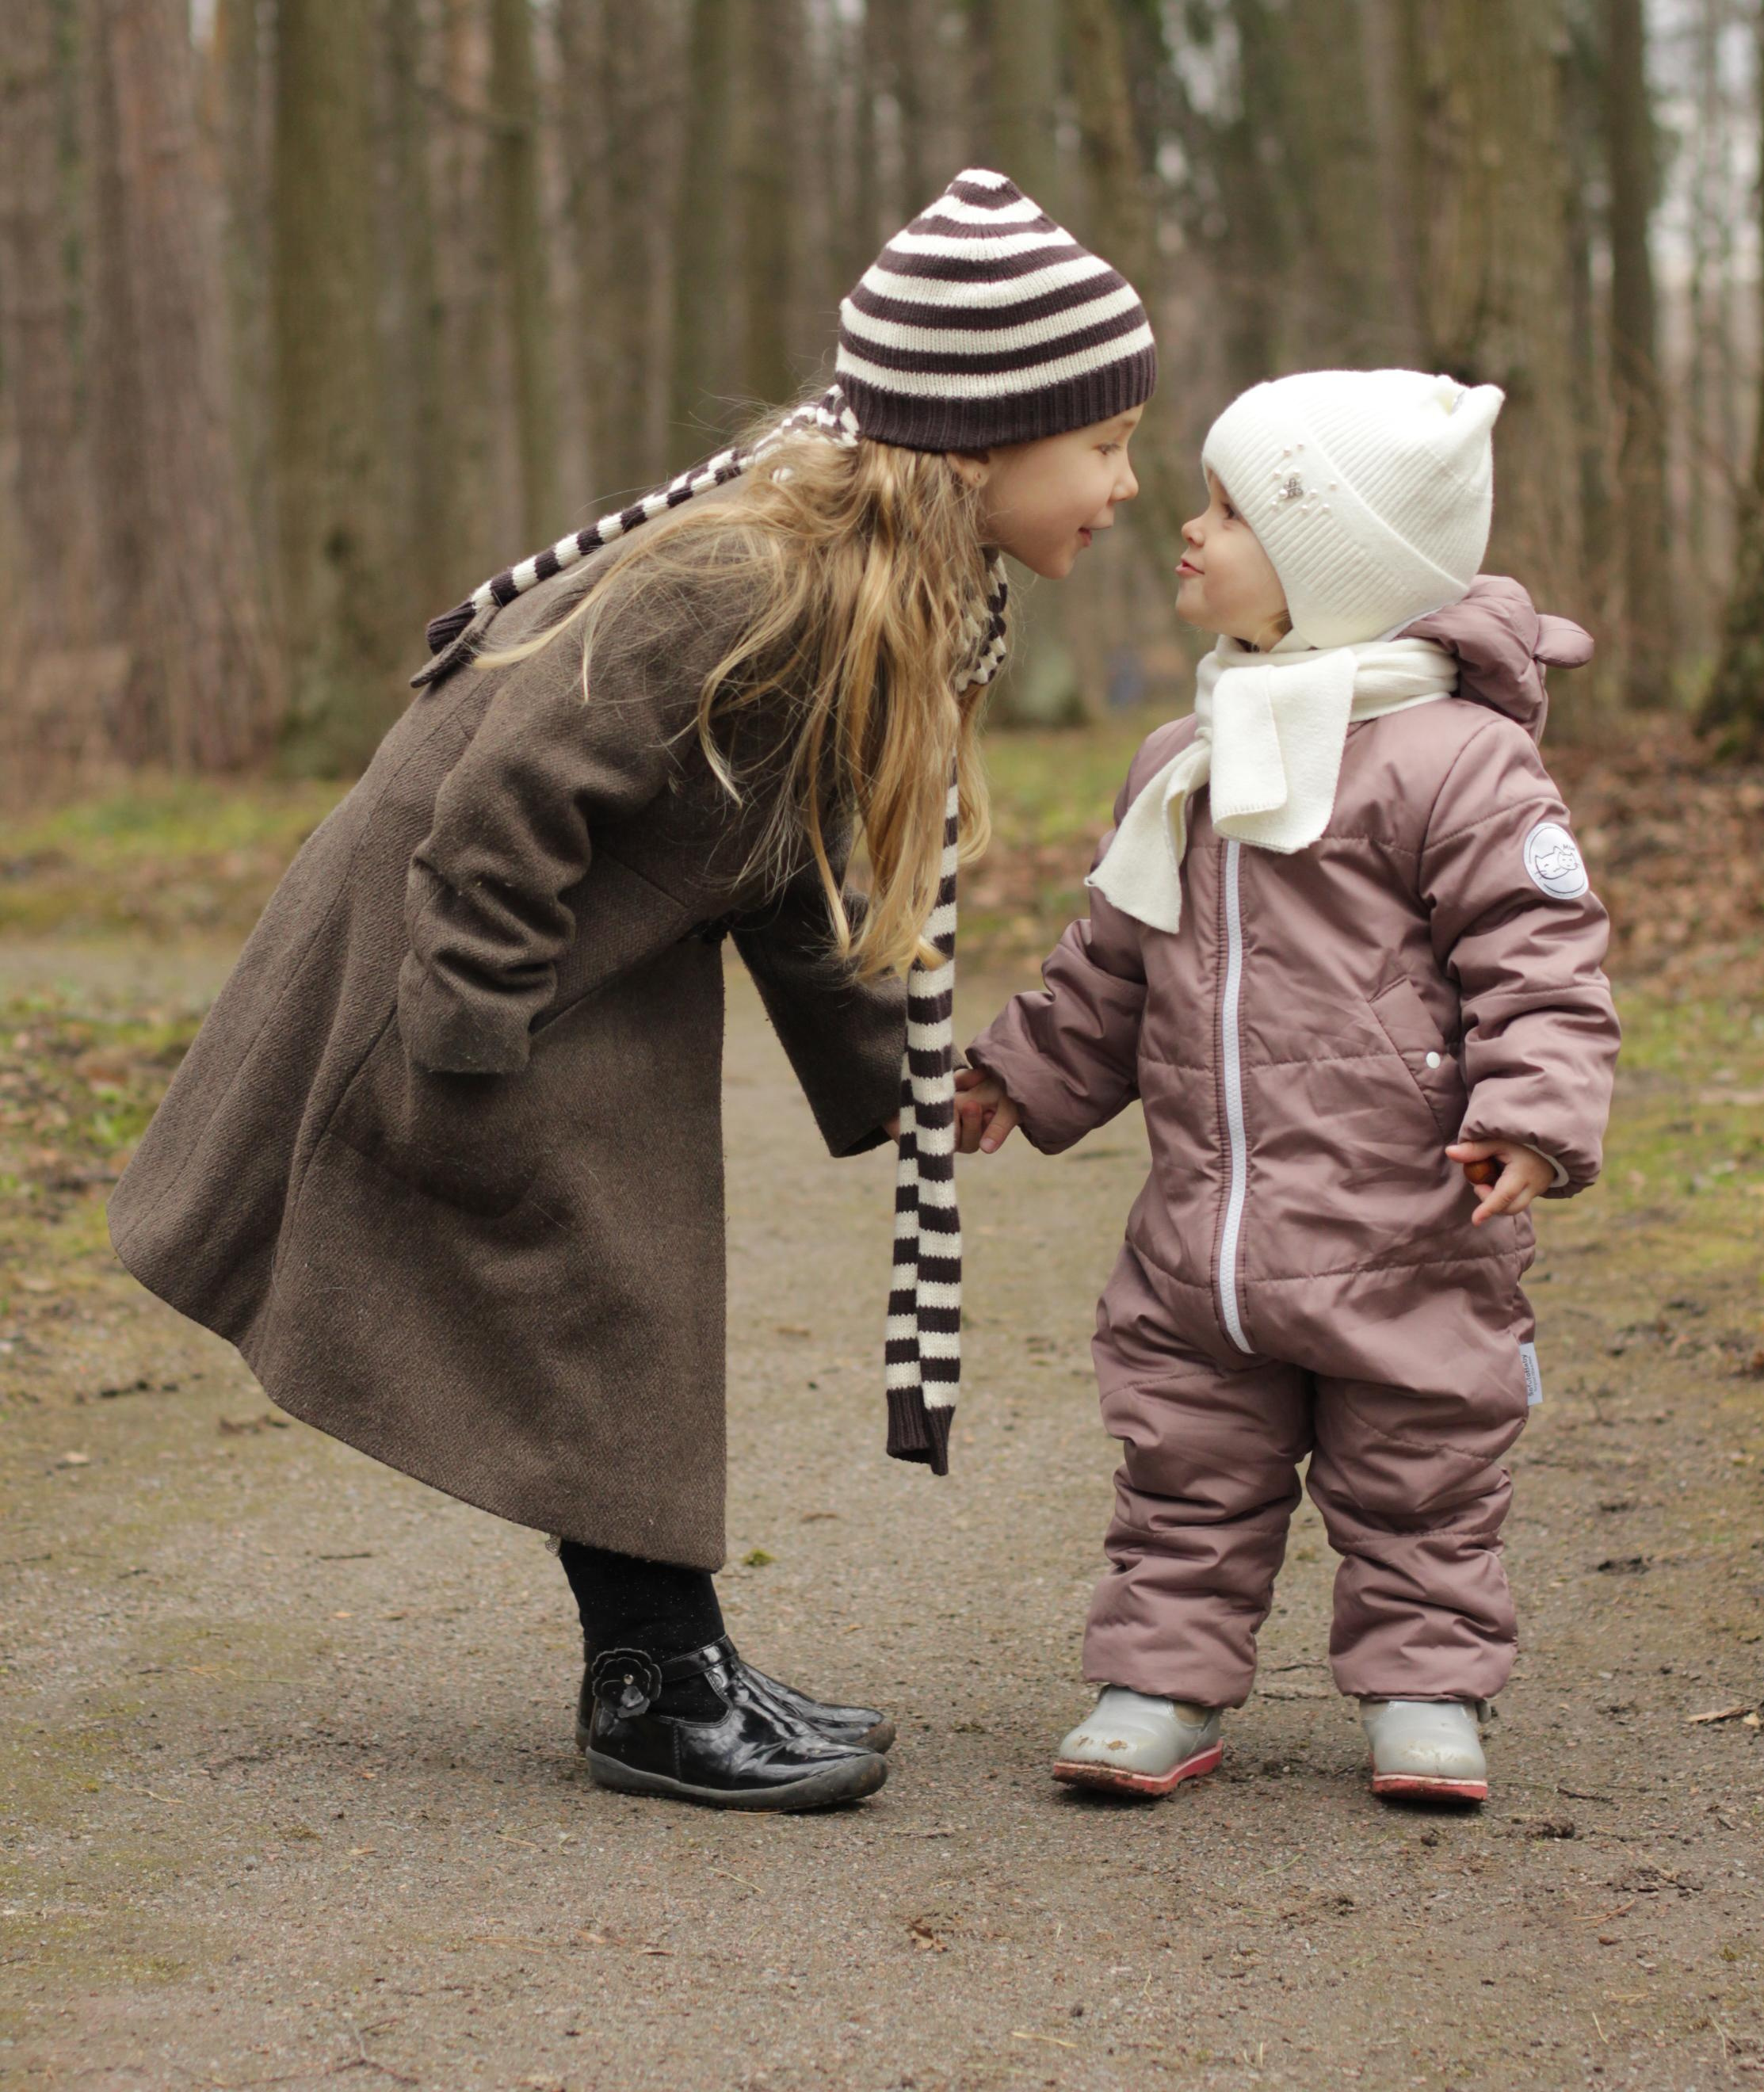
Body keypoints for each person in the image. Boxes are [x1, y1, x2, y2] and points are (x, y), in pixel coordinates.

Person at [108, 167, 1155, 1814]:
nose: (1125, 480)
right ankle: (656, 1685)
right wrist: (461, 1046)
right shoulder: (747, 582)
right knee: (606, 1296)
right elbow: (505, 795)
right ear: (978, 442)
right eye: (1100, 444)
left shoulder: (885, 595)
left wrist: (891, 1076)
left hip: (583, 964)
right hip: (474, 948)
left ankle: (670, 1665)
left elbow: (792, 869)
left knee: (627, 1287)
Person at [956, 369, 1618, 1805]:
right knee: (1185, 1467)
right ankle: (1163, 1682)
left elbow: (1542, 956)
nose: (1185, 531)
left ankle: (1426, 1690)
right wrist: (1023, 1068)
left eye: (1231, 512)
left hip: (1407, 1220)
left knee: (1422, 1471)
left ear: (1336, 570)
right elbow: (1117, 957)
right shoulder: (1186, 758)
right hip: (1211, 1234)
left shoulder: (1458, 760)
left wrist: (1531, 1115)